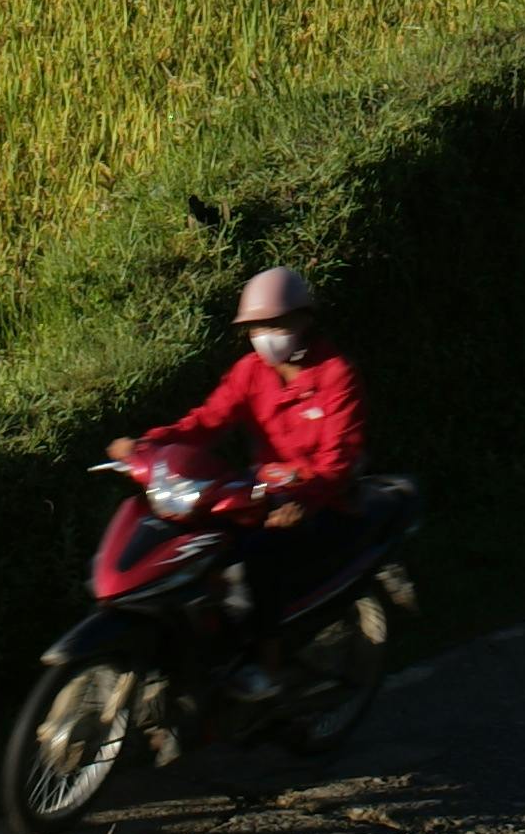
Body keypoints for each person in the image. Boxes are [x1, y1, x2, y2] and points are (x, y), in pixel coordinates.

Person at [151, 263, 366, 703]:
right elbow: (207, 421)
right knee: (196, 541)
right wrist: (149, 444)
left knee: (261, 561)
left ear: (304, 320)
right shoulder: (251, 372)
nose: (265, 335)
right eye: (256, 327)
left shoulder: (335, 375)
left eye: (276, 324)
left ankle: (268, 669)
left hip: (322, 501)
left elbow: (338, 459)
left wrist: (304, 501)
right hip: (262, 492)